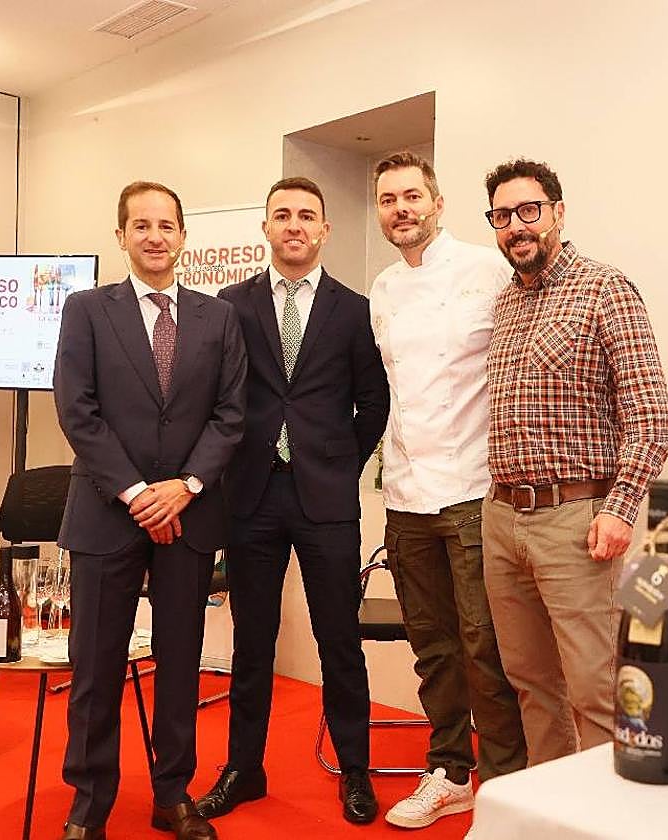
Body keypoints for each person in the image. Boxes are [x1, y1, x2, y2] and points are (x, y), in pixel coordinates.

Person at [53, 180, 247, 840]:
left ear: (184, 236)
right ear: (121, 237)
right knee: (96, 665)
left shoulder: (217, 318)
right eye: (141, 225)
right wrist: (139, 493)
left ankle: (173, 794)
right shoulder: (86, 309)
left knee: (179, 658)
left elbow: (230, 415)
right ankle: (90, 801)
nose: (155, 236)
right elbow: (77, 411)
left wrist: (185, 486)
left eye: (166, 225)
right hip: (108, 513)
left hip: (190, 515)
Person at [195, 177, 389, 826]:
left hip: (326, 499)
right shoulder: (231, 305)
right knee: (254, 641)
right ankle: (243, 770)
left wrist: (338, 464)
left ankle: (355, 770)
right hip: (250, 497)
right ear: (266, 228)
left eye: (307, 215)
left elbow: (375, 404)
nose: (295, 225)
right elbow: (221, 402)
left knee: (340, 641)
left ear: (325, 229)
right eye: (283, 215)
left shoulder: (355, 310)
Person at [480, 158, 668, 765]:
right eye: (503, 215)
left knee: (593, 687)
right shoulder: (505, 304)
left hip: (577, 521)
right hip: (503, 518)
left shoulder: (604, 287)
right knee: (530, 684)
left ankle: (606, 820)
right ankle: (552, 817)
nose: (517, 225)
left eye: (529, 210)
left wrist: (619, 509)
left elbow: (652, 417)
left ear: (558, 212)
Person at [367, 152, 526, 830]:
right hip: (405, 495)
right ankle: (450, 771)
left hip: (470, 489)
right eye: (388, 200)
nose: (400, 209)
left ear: (437, 202)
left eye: (411, 196)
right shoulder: (381, 289)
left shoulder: (490, 271)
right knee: (431, 647)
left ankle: (507, 786)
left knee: (484, 645)